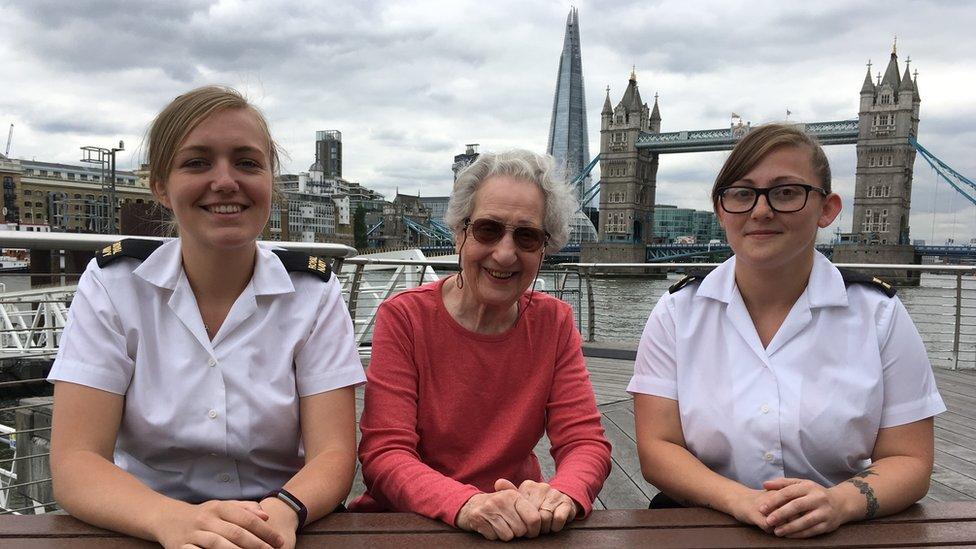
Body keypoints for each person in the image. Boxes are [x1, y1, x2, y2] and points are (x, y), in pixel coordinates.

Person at [48, 86, 366, 549]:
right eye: (197, 162)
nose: (225, 181)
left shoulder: (313, 293)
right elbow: (76, 461)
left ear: (271, 183)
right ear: (160, 185)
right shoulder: (113, 285)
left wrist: (281, 512)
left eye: (247, 162)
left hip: (281, 519)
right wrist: (170, 520)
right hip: (145, 521)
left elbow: (334, 453)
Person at [630, 123, 946, 538]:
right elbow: (657, 449)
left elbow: (910, 460)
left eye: (786, 193)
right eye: (742, 193)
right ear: (720, 209)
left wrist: (840, 502)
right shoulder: (676, 313)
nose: (761, 211)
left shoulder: (879, 314)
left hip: (837, 529)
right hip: (706, 522)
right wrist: (741, 501)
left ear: (827, 208)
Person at [349, 150, 612, 541]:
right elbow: (385, 455)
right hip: (411, 525)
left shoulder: (553, 322)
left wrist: (563, 494)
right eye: (488, 230)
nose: (505, 253)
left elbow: (583, 441)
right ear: (459, 232)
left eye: (526, 236)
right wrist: (469, 504)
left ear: (544, 247)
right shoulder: (404, 318)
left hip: (520, 526)